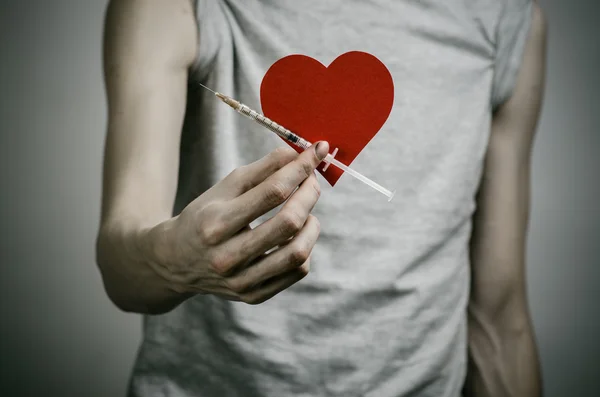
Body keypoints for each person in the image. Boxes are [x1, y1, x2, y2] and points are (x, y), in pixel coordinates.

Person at [96, 0, 547, 395]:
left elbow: (499, 319)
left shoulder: (503, 18)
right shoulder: (175, 5)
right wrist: (174, 259)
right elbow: (121, 266)